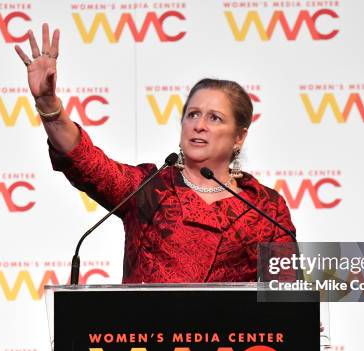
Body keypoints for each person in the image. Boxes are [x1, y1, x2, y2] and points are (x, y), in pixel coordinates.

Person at [15, 24, 297, 283]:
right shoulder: (150, 188)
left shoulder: (265, 207)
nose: (198, 125)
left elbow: (287, 293)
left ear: (239, 136)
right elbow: (85, 161)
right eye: (193, 114)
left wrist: (299, 318)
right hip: (145, 337)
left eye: (214, 118)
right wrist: (49, 106)